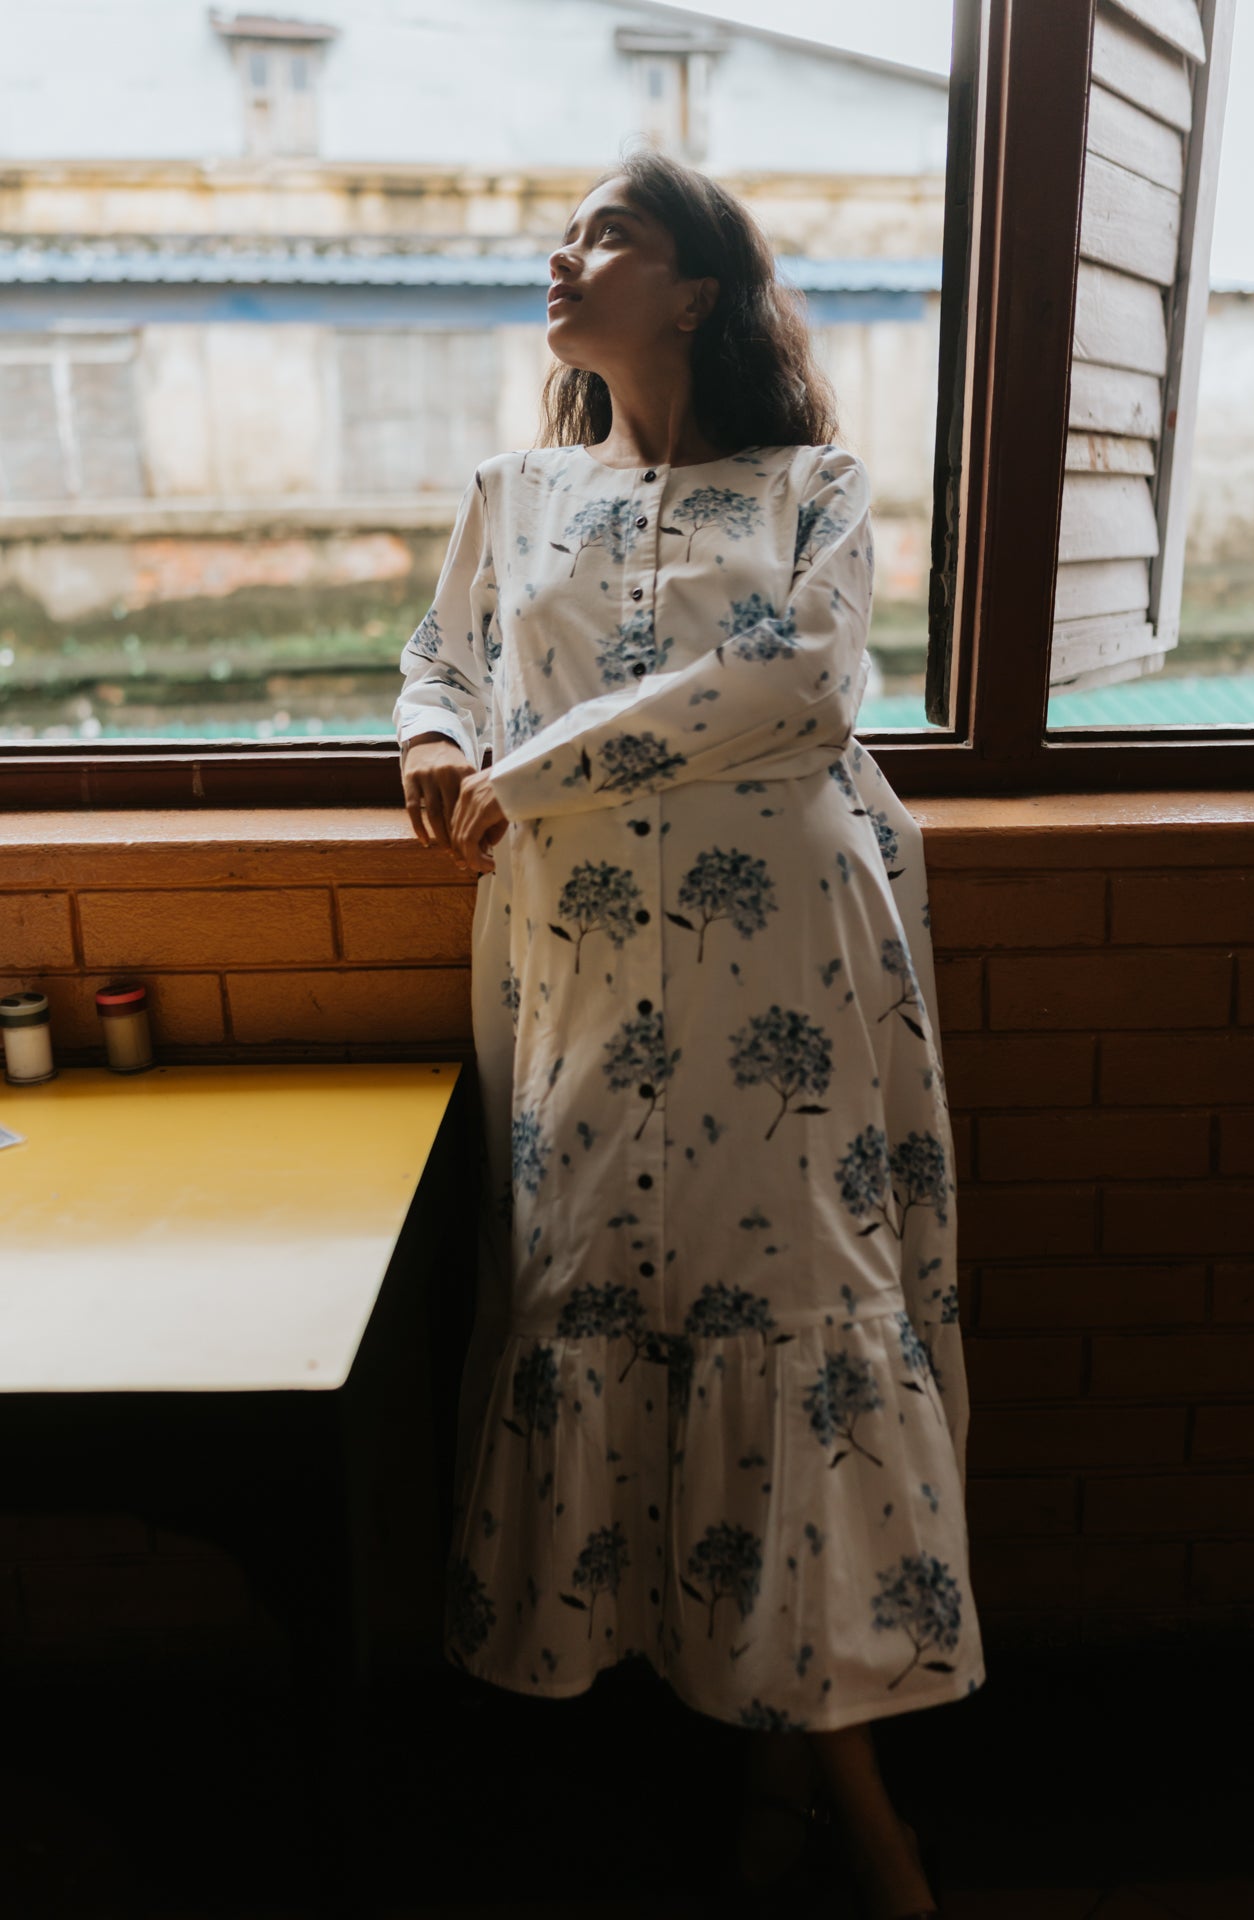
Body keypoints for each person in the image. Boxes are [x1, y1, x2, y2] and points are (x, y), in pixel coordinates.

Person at [395, 144, 985, 1919]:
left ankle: (852, 1811)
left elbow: (799, 688)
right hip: (578, 962)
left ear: (698, 291)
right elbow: (440, 655)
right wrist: (432, 741)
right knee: (596, 1292)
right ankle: (753, 1786)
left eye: (611, 235)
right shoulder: (513, 491)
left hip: (781, 970)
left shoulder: (815, 485)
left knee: (792, 1317)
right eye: (568, 233)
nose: (564, 255)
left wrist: (523, 773)